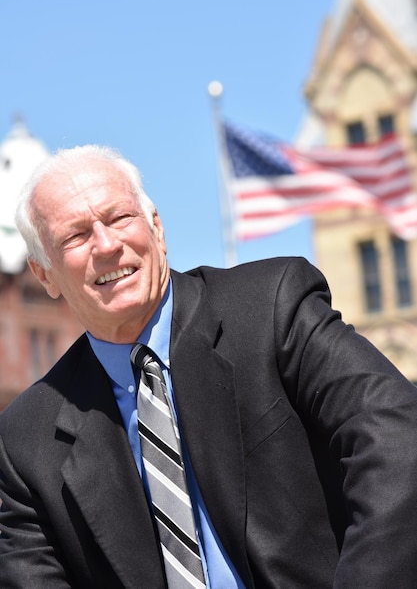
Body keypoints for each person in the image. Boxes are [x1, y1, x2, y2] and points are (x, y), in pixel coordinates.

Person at [1, 145, 417, 589]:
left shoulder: (272, 311)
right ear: (43, 275)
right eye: (76, 236)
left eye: (119, 218)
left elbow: (395, 435)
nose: (107, 245)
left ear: (156, 228)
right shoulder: (24, 444)